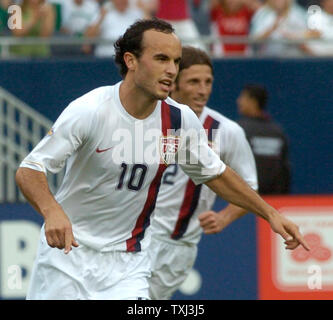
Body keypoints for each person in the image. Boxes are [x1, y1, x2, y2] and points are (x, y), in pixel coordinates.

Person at [16, 18, 308, 300]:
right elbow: (30, 169)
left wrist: (271, 214)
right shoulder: (91, 110)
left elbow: (216, 174)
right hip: (67, 258)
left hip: (127, 264)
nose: (171, 70)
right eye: (161, 59)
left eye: (176, 61)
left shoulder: (180, 121)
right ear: (131, 61)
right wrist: (52, 211)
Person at [148, 46, 258, 300]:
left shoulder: (227, 131)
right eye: (194, 81)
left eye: (208, 82)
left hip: (176, 247)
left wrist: (225, 217)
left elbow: (250, 186)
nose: (203, 89)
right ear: (174, 83)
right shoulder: (148, 118)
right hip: (132, 237)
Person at [237, 84, 291, 195]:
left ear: (253, 101)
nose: (238, 101)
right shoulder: (278, 132)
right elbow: (285, 170)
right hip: (273, 202)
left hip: (244, 200)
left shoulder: (238, 130)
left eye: (243, 97)